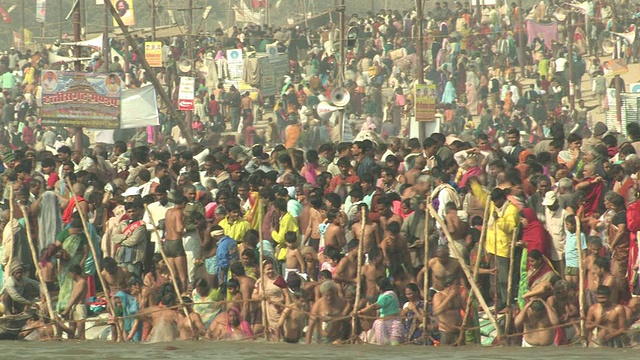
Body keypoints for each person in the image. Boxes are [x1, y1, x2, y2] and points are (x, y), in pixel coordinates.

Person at [358, 277, 404, 345]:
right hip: (383, 323)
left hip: (393, 322)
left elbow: (375, 306)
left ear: (379, 286)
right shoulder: (382, 295)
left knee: (394, 344)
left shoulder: (389, 295)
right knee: (383, 344)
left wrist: (361, 311)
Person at [164, 195, 188, 292]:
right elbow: (179, 228)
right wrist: (184, 227)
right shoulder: (178, 212)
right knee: (182, 275)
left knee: (173, 274)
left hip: (167, 243)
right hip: (176, 243)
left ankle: (173, 292)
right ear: (182, 204)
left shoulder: (168, 211)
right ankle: (184, 293)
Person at [433, 276, 466, 345]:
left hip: (459, 332)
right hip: (445, 332)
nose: (459, 286)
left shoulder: (458, 296)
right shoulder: (439, 296)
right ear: (449, 285)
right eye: (456, 284)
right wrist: (450, 297)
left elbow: (466, 310)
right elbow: (436, 312)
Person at [60, 264, 88, 340]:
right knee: (71, 333)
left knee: (81, 333)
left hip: (79, 307)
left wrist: (67, 310)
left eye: (71, 273)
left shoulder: (82, 282)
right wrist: (68, 309)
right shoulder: (74, 282)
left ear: (74, 273)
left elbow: (76, 297)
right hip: (72, 307)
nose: (70, 275)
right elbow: (72, 296)